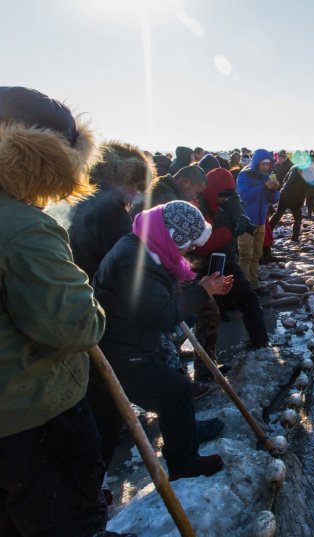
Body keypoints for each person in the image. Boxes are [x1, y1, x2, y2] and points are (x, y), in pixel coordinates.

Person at [0, 86, 133, 537]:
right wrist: (85, 295)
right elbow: (76, 326)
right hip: (30, 421)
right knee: (68, 523)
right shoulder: (23, 228)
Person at [93, 201, 230, 481]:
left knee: (168, 389)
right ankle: (184, 462)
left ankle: (185, 433)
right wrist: (202, 292)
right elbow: (161, 314)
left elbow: (158, 298)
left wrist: (201, 289)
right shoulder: (136, 260)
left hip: (130, 341)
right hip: (122, 350)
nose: (192, 250)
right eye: (189, 244)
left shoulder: (143, 246)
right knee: (174, 392)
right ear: (173, 235)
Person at [195, 168, 270, 349]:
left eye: (230, 193)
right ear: (212, 191)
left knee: (246, 299)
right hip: (201, 263)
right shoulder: (198, 206)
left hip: (225, 258)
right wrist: (230, 230)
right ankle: (205, 365)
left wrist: (236, 216)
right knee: (204, 312)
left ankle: (260, 341)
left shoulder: (227, 203)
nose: (226, 198)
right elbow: (202, 245)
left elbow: (242, 220)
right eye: (222, 194)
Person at [69, 142, 152, 281]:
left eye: (138, 187)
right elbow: (128, 264)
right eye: (131, 184)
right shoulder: (113, 212)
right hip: (95, 290)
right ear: (113, 179)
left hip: (75, 282)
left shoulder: (79, 198)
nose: (134, 191)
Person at [236, 149, 278, 289]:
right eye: (263, 164)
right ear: (256, 163)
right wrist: (264, 187)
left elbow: (273, 199)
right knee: (245, 255)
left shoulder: (267, 176)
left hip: (261, 222)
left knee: (257, 255)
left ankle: (253, 283)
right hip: (247, 222)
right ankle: (243, 286)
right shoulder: (244, 175)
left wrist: (273, 190)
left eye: (268, 164)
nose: (266, 167)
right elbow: (244, 196)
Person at [270, 151, 314, 242]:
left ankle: (267, 234)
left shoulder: (295, 166)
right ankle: (294, 239)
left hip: (284, 194)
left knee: (278, 214)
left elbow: (285, 180)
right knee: (297, 218)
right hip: (295, 197)